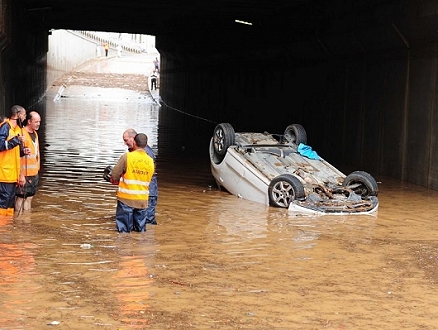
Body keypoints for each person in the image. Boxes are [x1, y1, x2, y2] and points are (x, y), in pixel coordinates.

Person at [111, 133, 155, 233]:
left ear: (134, 142)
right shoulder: (150, 161)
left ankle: (125, 246)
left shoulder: (127, 157)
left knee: (124, 232)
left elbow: (114, 175)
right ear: (146, 144)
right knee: (140, 232)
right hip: (142, 201)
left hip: (126, 199)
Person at [122, 129, 158, 225]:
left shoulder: (146, 154)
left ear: (134, 139)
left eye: (126, 140)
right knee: (139, 222)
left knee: (147, 222)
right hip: (140, 193)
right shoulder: (134, 153)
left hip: (147, 193)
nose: (125, 143)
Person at [0, 105, 28, 216]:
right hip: (4, 174)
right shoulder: (5, 127)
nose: (25, 117)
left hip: (12, 175)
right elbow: (1, 145)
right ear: (18, 114)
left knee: (9, 204)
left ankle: (8, 229)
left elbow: (12, 152)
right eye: (24, 114)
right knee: (3, 203)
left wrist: (23, 151)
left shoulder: (16, 129)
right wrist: (16, 140)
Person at [15, 111, 41, 212]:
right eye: (36, 121)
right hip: (24, 174)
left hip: (34, 173)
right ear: (29, 121)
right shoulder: (21, 134)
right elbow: (17, 156)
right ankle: (20, 221)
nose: (38, 124)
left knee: (29, 197)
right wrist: (21, 175)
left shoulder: (35, 134)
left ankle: (26, 220)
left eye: (39, 121)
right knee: (21, 197)